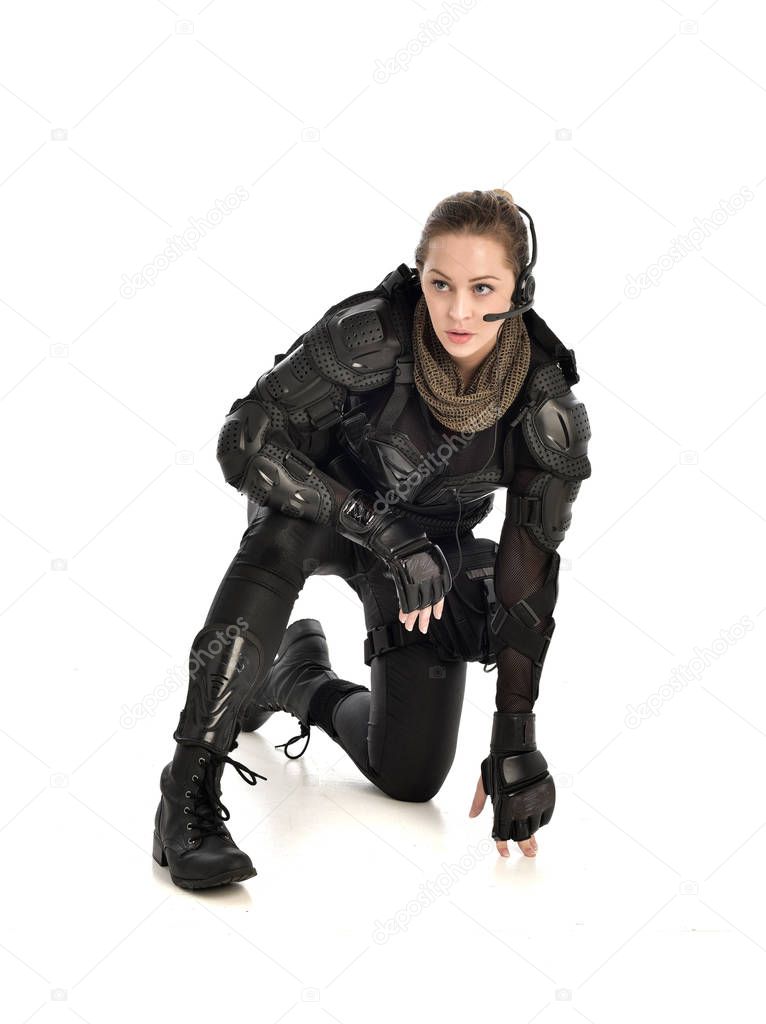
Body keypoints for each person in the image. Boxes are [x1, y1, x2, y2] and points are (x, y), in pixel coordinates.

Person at [152, 188, 592, 890]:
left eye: (483, 289)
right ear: (419, 275)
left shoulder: (544, 403)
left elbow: (532, 562)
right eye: (440, 283)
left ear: (520, 291)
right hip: (323, 514)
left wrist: (516, 736)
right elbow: (246, 440)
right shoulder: (371, 335)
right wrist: (382, 531)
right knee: (278, 543)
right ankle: (186, 793)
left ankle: (297, 679)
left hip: (428, 555)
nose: (457, 310)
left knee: (411, 776)